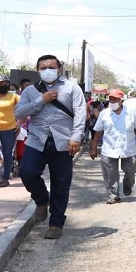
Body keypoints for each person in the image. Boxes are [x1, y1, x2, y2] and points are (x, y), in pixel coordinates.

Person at [15, 54, 87, 239]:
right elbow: (20, 112)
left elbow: (80, 113)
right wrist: (41, 100)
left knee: (61, 183)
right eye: (43, 67)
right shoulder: (30, 90)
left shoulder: (72, 87)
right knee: (27, 173)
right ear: (38, 70)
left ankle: (56, 223)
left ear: (59, 68)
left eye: (51, 67)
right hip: (36, 140)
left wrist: (76, 137)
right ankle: (41, 199)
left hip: (63, 141)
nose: (47, 70)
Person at [90, 88, 136, 204]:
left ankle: (128, 184)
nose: (112, 101)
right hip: (109, 149)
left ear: (121, 100)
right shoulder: (104, 114)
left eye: (115, 99)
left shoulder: (130, 113)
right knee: (110, 174)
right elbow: (98, 132)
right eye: (110, 99)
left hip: (128, 149)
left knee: (131, 170)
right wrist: (93, 148)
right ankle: (113, 195)